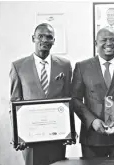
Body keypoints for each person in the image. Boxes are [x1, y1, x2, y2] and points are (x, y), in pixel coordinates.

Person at [9, 23, 72, 165]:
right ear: (33, 38)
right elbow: (14, 103)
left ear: (54, 41)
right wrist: (18, 135)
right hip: (30, 139)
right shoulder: (18, 66)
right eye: (40, 36)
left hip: (57, 136)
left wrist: (70, 130)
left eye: (49, 37)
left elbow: (69, 100)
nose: (44, 40)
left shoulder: (65, 65)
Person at [71, 27, 114, 158]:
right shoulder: (82, 67)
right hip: (92, 138)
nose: (109, 43)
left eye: (113, 40)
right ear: (96, 43)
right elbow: (75, 99)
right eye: (104, 40)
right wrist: (92, 121)